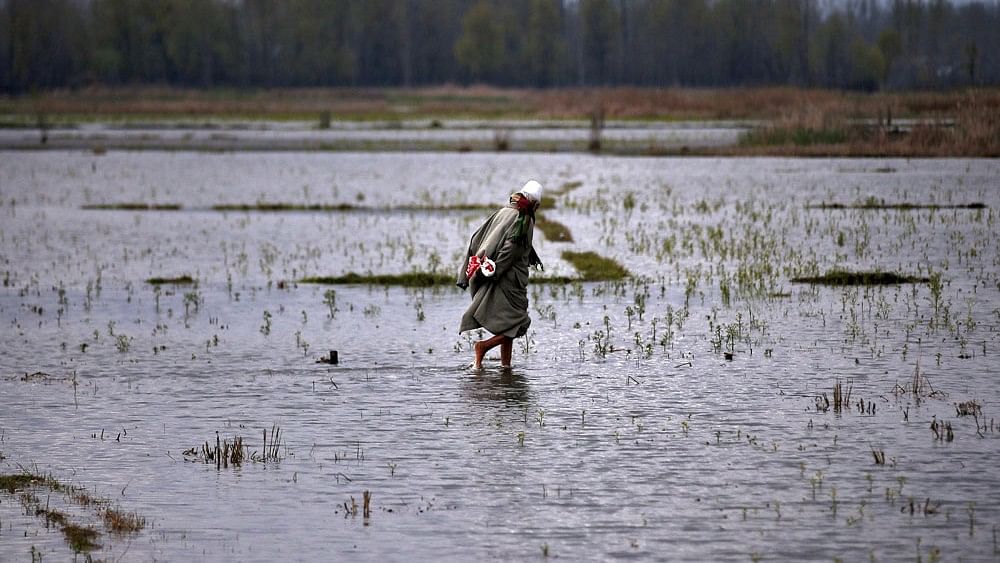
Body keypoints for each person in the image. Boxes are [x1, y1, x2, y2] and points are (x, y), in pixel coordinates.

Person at [457, 180, 544, 369]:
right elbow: (510, 249)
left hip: (503, 275)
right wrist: (496, 272)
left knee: (508, 322)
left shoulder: (504, 211)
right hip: (508, 278)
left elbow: (477, 237)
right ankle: (483, 347)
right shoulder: (523, 219)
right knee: (520, 322)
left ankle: (506, 367)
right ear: (535, 204)